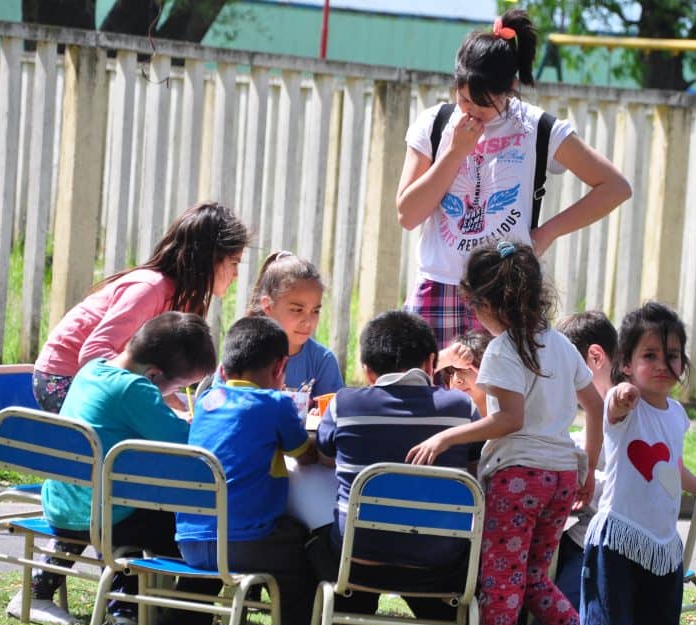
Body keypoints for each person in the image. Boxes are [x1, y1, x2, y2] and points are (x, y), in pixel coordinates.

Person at [406, 241, 604, 625]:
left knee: (499, 587)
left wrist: (447, 437)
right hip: (559, 480)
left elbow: (510, 420)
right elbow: (595, 406)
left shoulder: (501, 350)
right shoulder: (559, 344)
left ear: (488, 304)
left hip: (518, 481)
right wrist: (584, 467)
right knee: (533, 579)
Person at [396, 8, 631, 348]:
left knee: (502, 400)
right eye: (464, 99)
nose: (472, 111)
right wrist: (455, 152)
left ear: (510, 89)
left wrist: (546, 234)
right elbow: (407, 214)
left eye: (484, 104)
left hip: (506, 293)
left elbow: (615, 187)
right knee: (427, 396)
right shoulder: (434, 124)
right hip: (439, 286)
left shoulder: (537, 128)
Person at [16, 313, 221, 625]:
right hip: (108, 516)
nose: (177, 397)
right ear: (155, 375)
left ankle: (129, 608)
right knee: (209, 534)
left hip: (63, 507)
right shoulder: (135, 388)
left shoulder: (92, 370)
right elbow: (188, 445)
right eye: (177, 389)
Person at [313, 310, 483, 618]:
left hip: (355, 562)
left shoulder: (344, 404)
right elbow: (473, 474)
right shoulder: (462, 408)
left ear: (366, 371)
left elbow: (325, 459)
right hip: (440, 565)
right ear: (432, 363)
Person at [576, 302, 696, 625]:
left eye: (671, 355)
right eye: (649, 355)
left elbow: (670, 468)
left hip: (664, 548)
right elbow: (613, 407)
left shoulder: (677, 414)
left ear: (683, 362)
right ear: (626, 364)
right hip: (617, 542)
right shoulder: (622, 405)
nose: (661, 365)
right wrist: (621, 396)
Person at [177, 315, 318, 625]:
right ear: (280, 366)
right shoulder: (276, 404)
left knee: (228, 537)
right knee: (303, 558)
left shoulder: (206, 401)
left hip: (190, 541)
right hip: (246, 546)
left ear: (223, 368)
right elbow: (308, 455)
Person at [32, 201, 247, 415]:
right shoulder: (149, 289)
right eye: (234, 263)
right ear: (209, 259)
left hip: (103, 383)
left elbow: (157, 371)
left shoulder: (186, 300)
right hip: (62, 379)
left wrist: (171, 401)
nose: (236, 275)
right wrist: (151, 400)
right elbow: (92, 354)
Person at [529, 310, 617, 625]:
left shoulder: (621, 413)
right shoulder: (597, 418)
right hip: (581, 541)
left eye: (569, 367)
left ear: (594, 358)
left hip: (604, 549)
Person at [246, 250, 344, 399]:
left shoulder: (322, 361)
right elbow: (219, 403)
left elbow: (333, 415)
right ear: (268, 306)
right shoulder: (245, 353)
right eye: (297, 309)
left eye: (315, 311)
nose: (308, 321)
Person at [437, 328, 493, 416]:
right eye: (450, 374)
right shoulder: (445, 421)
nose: (457, 380)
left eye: (466, 368)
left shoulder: (518, 418)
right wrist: (444, 358)